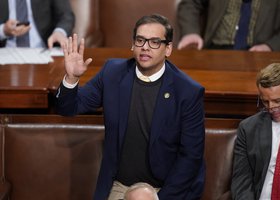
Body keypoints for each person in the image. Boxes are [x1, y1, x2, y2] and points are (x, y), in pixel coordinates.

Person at [56, 14, 206, 200]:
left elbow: (191, 157)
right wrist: (72, 79)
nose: (145, 47)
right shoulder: (112, 73)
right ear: (133, 45)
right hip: (121, 186)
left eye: (154, 42)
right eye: (140, 40)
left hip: (165, 189)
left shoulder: (188, 91)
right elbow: (69, 108)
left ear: (168, 49)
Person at [231, 63, 280, 199]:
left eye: (277, 101)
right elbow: (241, 182)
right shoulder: (248, 128)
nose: (271, 108)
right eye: (265, 102)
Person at [177, 0, 280, 51]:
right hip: (215, 51)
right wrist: (190, 32)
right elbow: (190, 3)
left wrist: (270, 46)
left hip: (260, 55)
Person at [0, 0, 75, 48]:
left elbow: (66, 15)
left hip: (43, 50)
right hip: (5, 53)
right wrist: (3, 31)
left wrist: (59, 32)